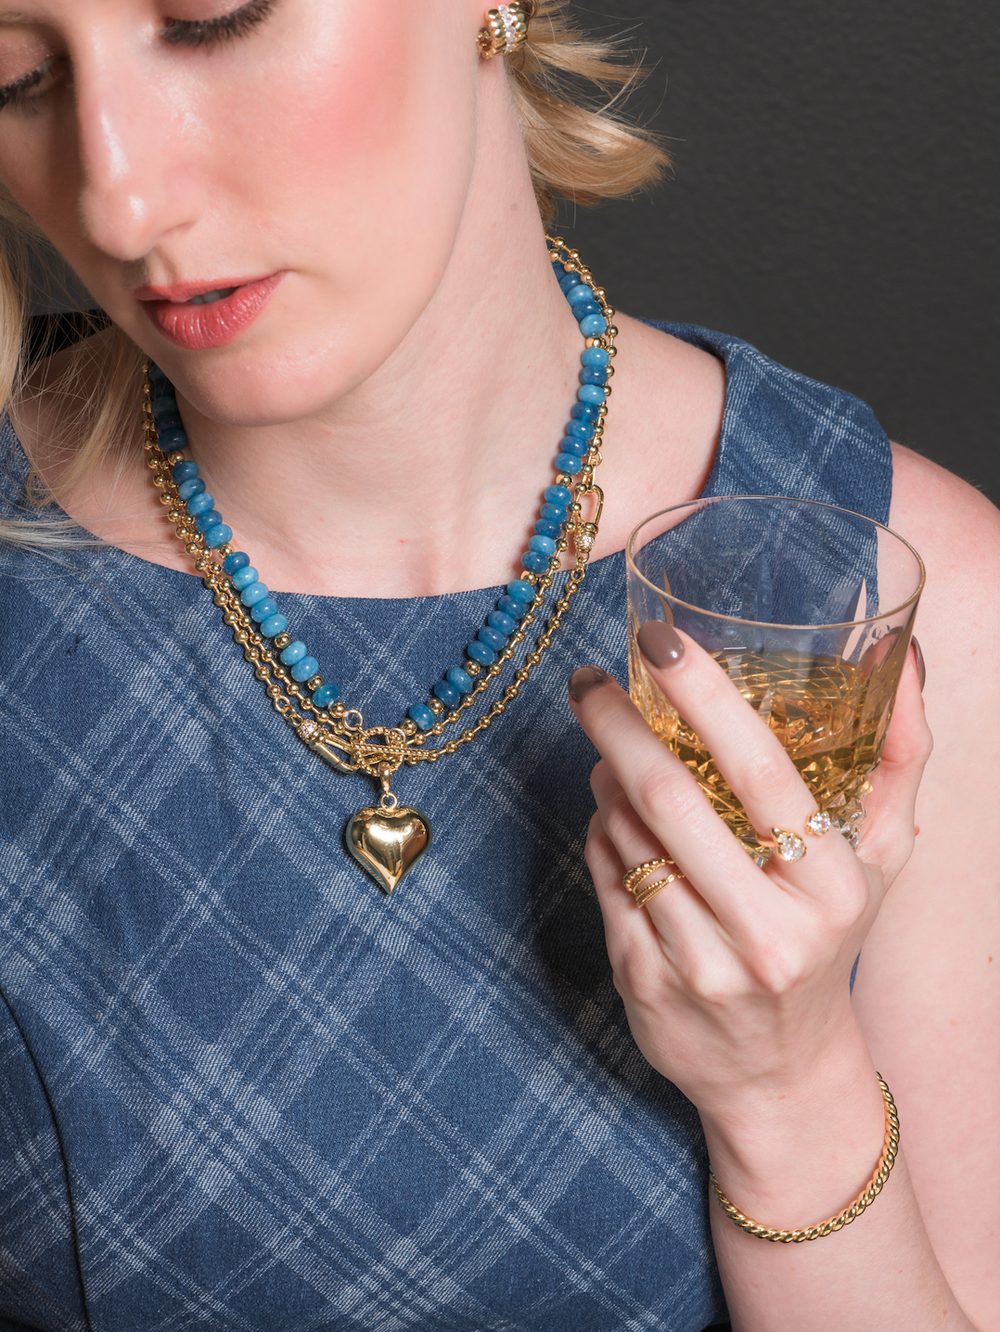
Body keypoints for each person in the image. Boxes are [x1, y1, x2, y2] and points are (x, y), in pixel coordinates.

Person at [0, 1, 995, 1329]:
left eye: (209, 19)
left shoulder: (905, 598)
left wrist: (788, 1094)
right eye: (17, 76)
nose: (117, 198)